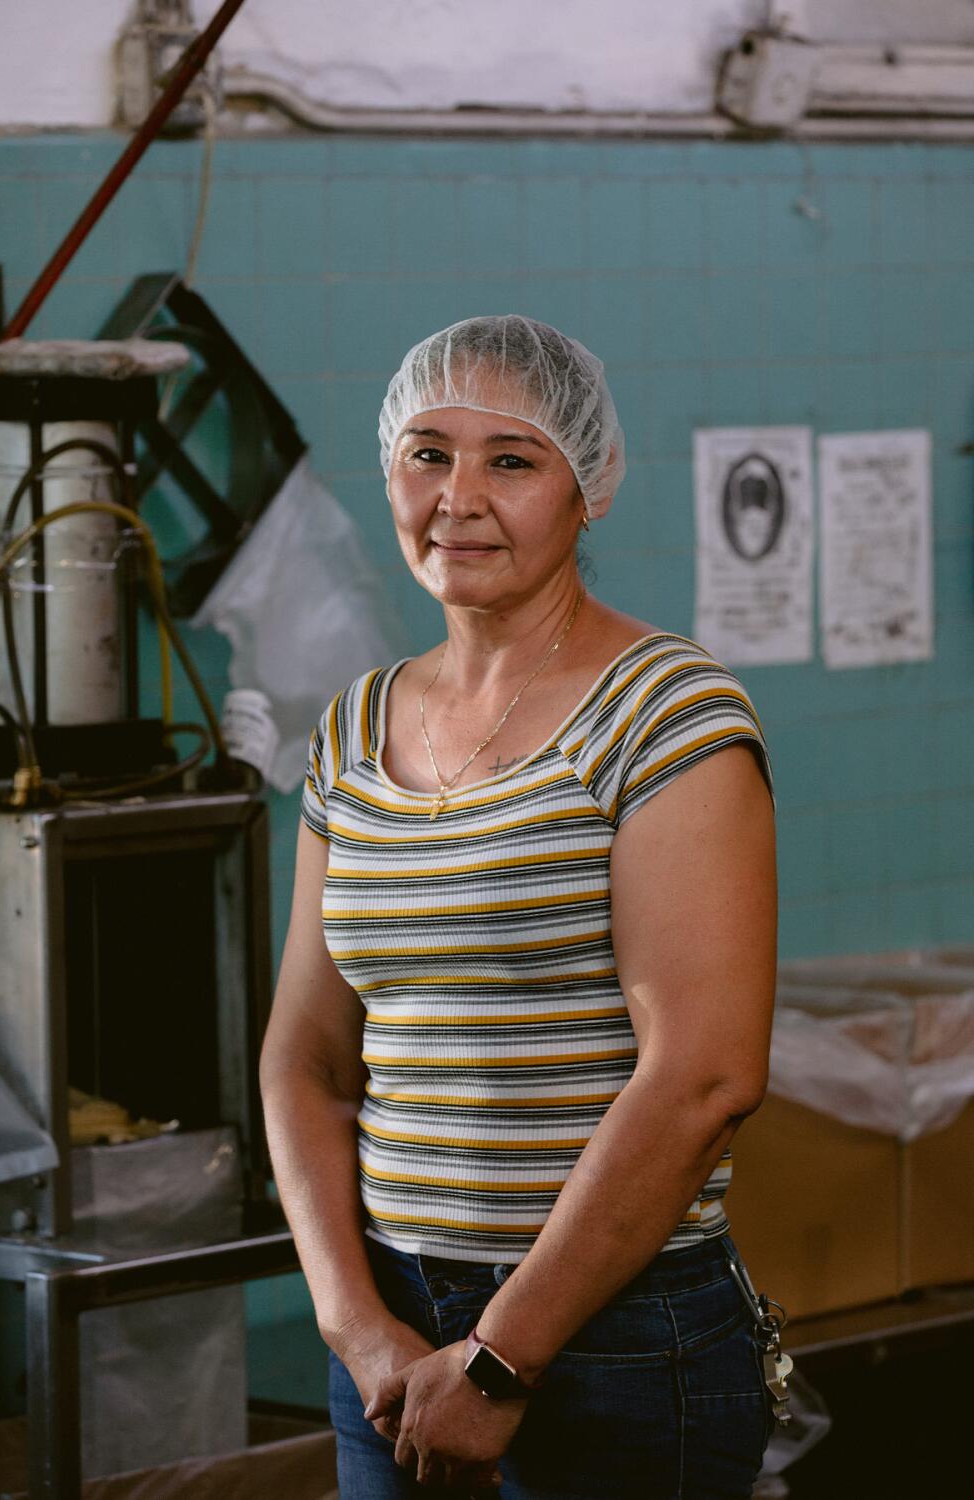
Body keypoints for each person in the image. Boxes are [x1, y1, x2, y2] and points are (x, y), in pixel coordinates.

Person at [261, 315, 777, 1497]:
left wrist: (498, 1360)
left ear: (585, 487)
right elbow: (305, 1058)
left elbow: (704, 1076)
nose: (457, 497)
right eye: (426, 453)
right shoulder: (349, 729)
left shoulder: (666, 713)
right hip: (389, 1334)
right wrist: (352, 1324)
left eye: (511, 459)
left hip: (612, 1340)